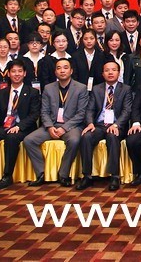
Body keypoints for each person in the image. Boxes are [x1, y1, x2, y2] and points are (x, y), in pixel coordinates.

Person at [23, 59, 88, 187]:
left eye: (65, 68)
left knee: (74, 140)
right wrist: (49, 126)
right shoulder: (48, 88)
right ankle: (41, 173)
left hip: (71, 126)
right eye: (59, 68)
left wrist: (64, 128)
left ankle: (63, 174)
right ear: (55, 72)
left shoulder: (81, 88)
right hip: (52, 125)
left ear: (71, 71)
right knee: (29, 140)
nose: (62, 71)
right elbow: (44, 111)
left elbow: (81, 114)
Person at [0, 60, 40, 189]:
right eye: (13, 71)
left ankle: (7, 175)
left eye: (20, 71)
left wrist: (19, 126)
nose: (16, 74)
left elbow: (34, 115)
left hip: (23, 128)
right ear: (8, 74)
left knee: (11, 137)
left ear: (24, 73)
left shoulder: (32, 92)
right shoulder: (1, 93)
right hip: (6, 126)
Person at [76, 61, 132, 191]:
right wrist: (90, 123)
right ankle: (87, 176)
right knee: (86, 137)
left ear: (119, 73)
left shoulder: (126, 89)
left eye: (113, 70)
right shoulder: (97, 89)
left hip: (117, 126)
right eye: (107, 70)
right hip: (99, 125)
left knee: (112, 136)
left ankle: (114, 176)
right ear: (102, 74)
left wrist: (116, 125)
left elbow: (127, 111)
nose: (110, 72)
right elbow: (90, 109)